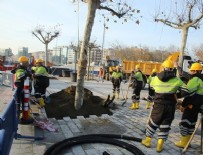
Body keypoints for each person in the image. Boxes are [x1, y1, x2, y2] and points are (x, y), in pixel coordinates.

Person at [141, 60, 189, 153]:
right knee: (165, 124)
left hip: (158, 105)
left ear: (163, 68)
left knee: (153, 122)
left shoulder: (155, 78)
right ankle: (160, 145)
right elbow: (185, 91)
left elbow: (151, 87)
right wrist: (175, 94)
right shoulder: (176, 79)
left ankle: (147, 141)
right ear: (172, 69)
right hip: (170, 106)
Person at [175, 62, 203, 148]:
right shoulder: (201, 79)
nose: (190, 72)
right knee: (191, 123)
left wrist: (183, 104)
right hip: (197, 106)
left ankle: (183, 142)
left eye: (191, 71)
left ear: (195, 71)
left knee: (184, 123)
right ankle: (188, 142)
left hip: (191, 105)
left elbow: (187, 92)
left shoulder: (195, 80)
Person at [12, 56, 33, 120]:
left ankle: (25, 116)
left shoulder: (24, 69)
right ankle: (17, 118)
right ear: (22, 63)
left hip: (24, 90)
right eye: (26, 62)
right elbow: (20, 76)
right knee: (19, 104)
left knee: (25, 104)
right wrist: (27, 73)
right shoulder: (20, 69)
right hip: (20, 89)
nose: (27, 64)